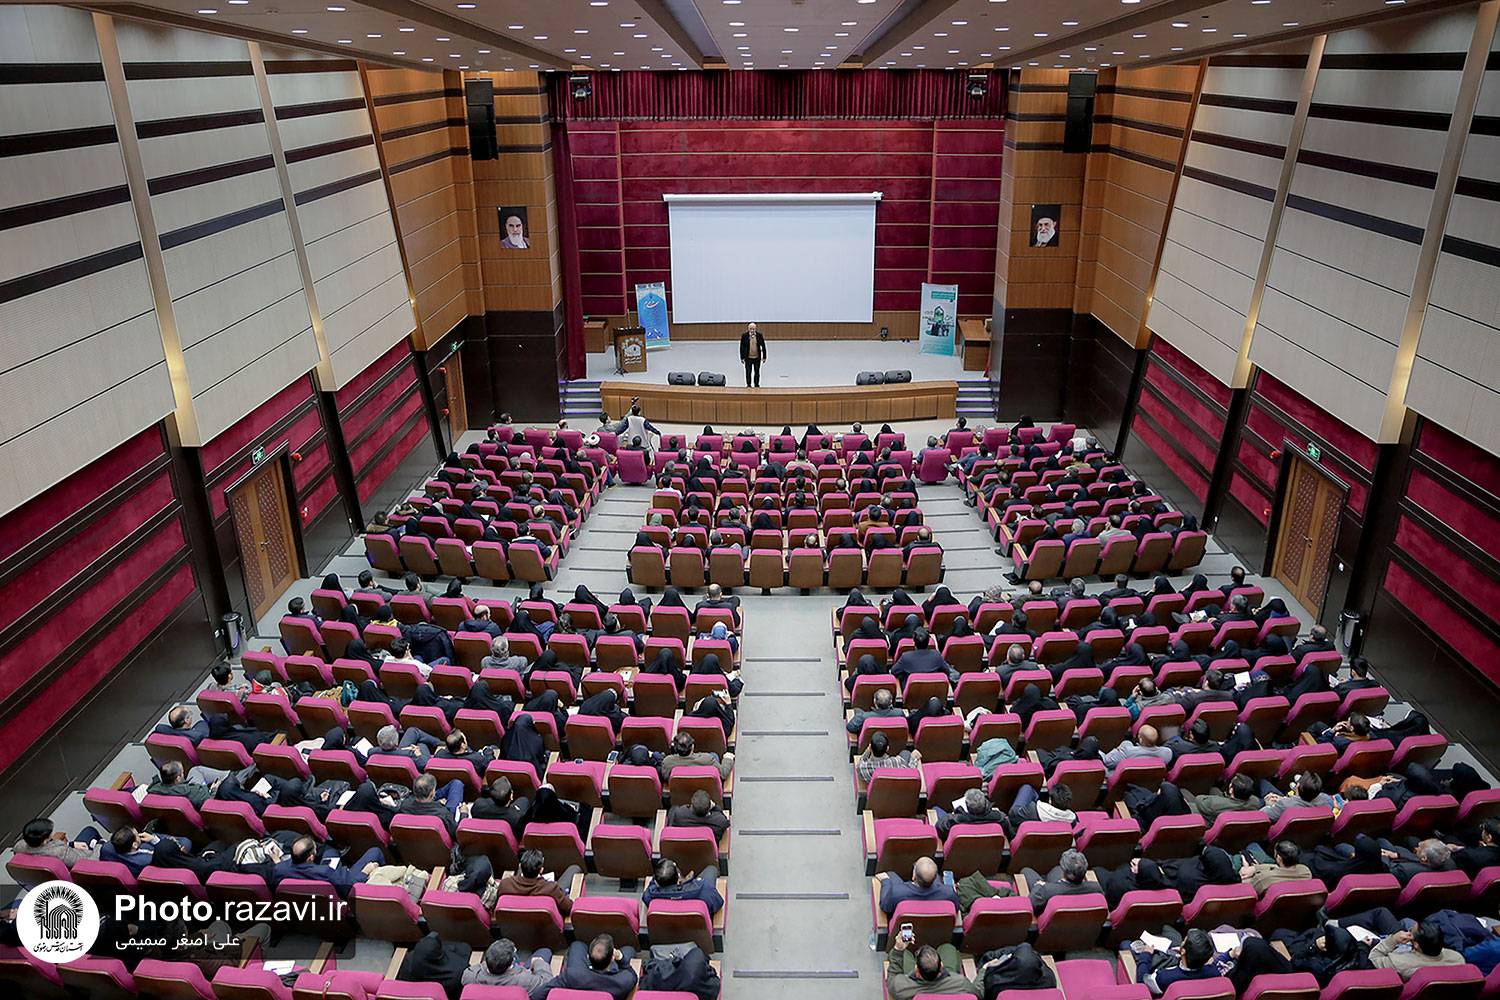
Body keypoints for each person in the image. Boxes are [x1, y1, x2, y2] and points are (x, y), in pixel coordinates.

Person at [886, 938, 982, 1000]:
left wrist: (898, 949)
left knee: (905, 954)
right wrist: (983, 971)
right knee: (948, 948)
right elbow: (978, 995)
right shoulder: (961, 983)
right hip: (951, 987)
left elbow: (892, 977)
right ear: (942, 966)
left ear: (916, 969)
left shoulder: (901, 988)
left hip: (914, 988)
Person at [496, 848, 582, 916]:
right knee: (574, 868)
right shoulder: (551, 889)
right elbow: (568, 908)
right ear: (541, 870)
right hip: (545, 925)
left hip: (516, 924)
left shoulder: (505, 885)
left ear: (520, 866)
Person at [551, 934, 637, 999]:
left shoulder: (571, 975)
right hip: (611, 977)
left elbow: (541, 992)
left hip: (581, 977)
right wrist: (620, 958)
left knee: (577, 945)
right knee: (629, 950)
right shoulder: (622, 982)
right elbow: (632, 974)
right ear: (612, 959)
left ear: (587, 957)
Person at [461, 938, 555, 997]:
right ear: (510, 965)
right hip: (515, 978)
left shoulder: (470, 976)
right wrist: (538, 962)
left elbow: (478, 968)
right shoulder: (525, 980)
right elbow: (547, 982)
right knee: (545, 951)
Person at [1369, 922, 1464, 979]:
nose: (1408, 932)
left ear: (1416, 945)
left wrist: (1392, 940)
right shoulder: (1458, 959)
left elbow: (1373, 958)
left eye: (1410, 932)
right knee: (1406, 921)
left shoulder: (1399, 963)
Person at [878, 856, 960, 916]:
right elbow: (956, 908)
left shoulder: (896, 893)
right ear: (935, 878)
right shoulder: (949, 892)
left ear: (914, 876)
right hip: (934, 932)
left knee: (891, 875)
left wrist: (886, 881)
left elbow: (885, 906)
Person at [642, 858, 723, 915]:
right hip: (698, 929)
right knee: (711, 869)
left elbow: (647, 895)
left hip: (670, 930)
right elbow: (718, 903)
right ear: (678, 876)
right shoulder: (704, 889)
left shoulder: (650, 895)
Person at [1024, 848, 1094, 910]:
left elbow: (1030, 904)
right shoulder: (1095, 888)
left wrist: (1039, 886)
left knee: (1026, 870)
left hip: (1051, 920)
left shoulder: (1044, 891)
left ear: (1064, 872)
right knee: (1056, 869)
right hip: (1080, 919)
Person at [14, 817, 102, 866]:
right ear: (45, 841)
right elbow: (87, 863)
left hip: (66, 855)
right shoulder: (60, 853)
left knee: (89, 831)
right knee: (91, 831)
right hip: (81, 862)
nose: (54, 832)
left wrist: (70, 844)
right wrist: (100, 846)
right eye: (51, 832)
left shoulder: (19, 847)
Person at [1242, 839, 1312, 893]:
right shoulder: (1305, 871)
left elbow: (1247, 889)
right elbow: (1278, 868)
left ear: (1278, 858)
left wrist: (1246, 867)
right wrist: (1256, 868)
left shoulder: (1263, 879)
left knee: (1252, 846)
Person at [660, 732, 733, 780]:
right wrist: (728, 758)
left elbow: (665, 777)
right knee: (714, 755)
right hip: (704, 789)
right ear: (692, 747)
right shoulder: (707, 759)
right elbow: (723, 774)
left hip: (681, 793)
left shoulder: (667, 762)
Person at [857, 731, 922, 785]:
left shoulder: (862, 768)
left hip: (877, 792)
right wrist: (914, 759)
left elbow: (862, 760)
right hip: (895, 787)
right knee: (906, 753)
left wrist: (868, 750)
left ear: (870, 747)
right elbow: (909, 774)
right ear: (887, 748)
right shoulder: (896, 762)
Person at [667, 789, 731, 841]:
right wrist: (715, 807)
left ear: (692, 804)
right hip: (707, 853)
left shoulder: (678, 813)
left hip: (682, 851)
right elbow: (724, 820)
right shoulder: (719, 822)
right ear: (710, 806)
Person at [739, 321, 767, 388]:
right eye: (751, 329)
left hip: (757, 357)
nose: (752, 330)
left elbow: (763, 346)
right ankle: (748, 385)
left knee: (757, 372)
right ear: (748, 329)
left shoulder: (759, 335)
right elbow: (741, 347)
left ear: (756, 329)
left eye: (753, 329)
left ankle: (756, 384)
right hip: (748, 357)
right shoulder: (744, 336)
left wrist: (764, 356)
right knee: (748, 372)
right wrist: (742, 357)